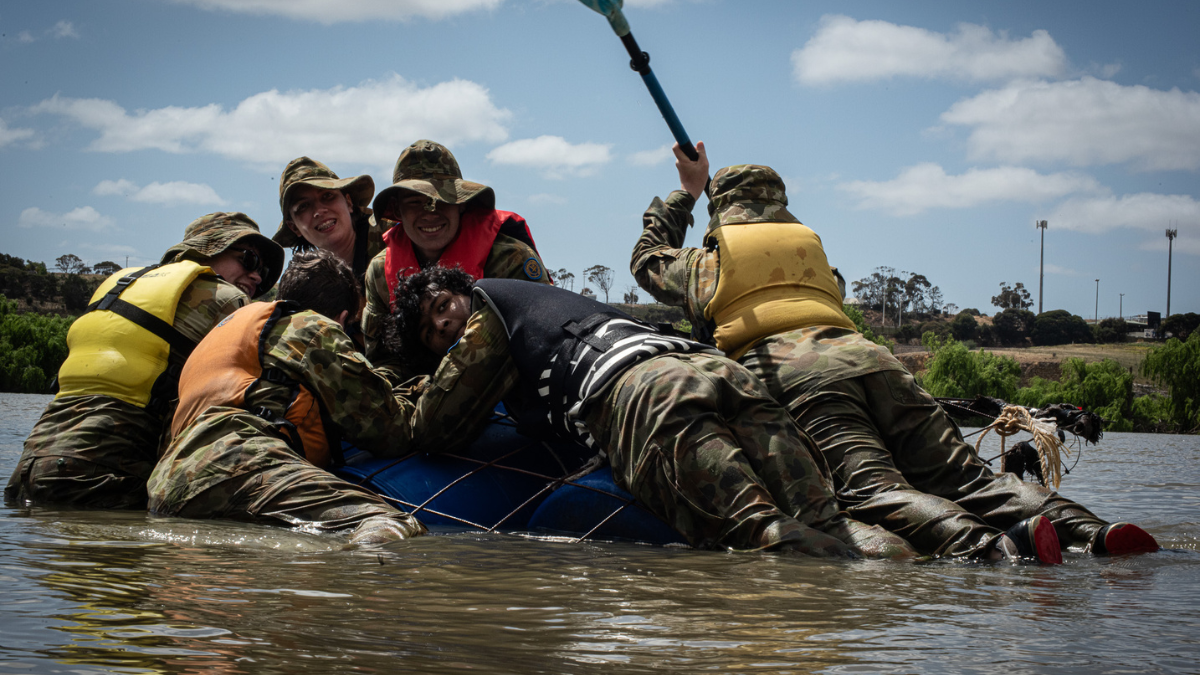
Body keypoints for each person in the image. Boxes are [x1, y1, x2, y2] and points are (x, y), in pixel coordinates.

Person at [630, 141, 1158, 559]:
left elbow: (646, 258)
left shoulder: (706, 264)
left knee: (872, 488)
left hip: (804, 380)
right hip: (879, 363)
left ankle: (992, 548)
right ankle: (1092, 532)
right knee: (967, 478)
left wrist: (686, 193)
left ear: (723, 213)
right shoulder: (817, 258)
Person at [384, 268, 935, 557]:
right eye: (432, 333)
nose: (445, 325)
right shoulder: (550, 303)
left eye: (443, 307)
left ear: (465, 292)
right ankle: (920, 596)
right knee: (829, 522)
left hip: (649, 396)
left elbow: (433, 426)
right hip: (717, 372)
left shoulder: (487, 312)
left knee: (761, 537)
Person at [147, 250, 426, 545]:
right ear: (342, 318)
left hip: (165, 488)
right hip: (239, 465)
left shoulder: (225, 336)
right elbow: (390, 432)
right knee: (392, 524)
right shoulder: (313, 327)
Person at [6, 212, 283, 509]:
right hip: (102, 475)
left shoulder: (116, 286)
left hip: (29, 467)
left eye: (263, 272)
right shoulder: (226, 298)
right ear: (209, 250)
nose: (257, 277)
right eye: (250, 260)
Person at [361, 140, 552, 382]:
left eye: (443, 199)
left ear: (461, 204)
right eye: (415, 202)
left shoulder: (510, 258)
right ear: (397, 211)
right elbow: (383, 359)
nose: (430, 213)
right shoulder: (379, 273)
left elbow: (542, 341)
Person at [273, 156, 387, 289]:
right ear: (294, 228)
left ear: (348, 202)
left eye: (327, 195)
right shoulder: (310, 283)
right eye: (303, 206)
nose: (319, 211)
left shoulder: (394, 238)